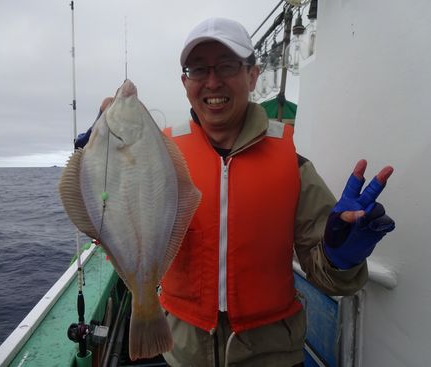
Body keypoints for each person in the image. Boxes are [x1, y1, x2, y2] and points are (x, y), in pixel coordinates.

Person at [82, 17, 395, 367]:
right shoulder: (159, 159)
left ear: (252, 75)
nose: (212, 81)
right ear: (185, 82)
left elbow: (328, 276)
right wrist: (98, 159)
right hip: (184, 353)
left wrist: (342, 257)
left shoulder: (295, 167)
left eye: (227, 66)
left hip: (273, 355)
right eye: (198, 69)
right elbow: (109, 216)